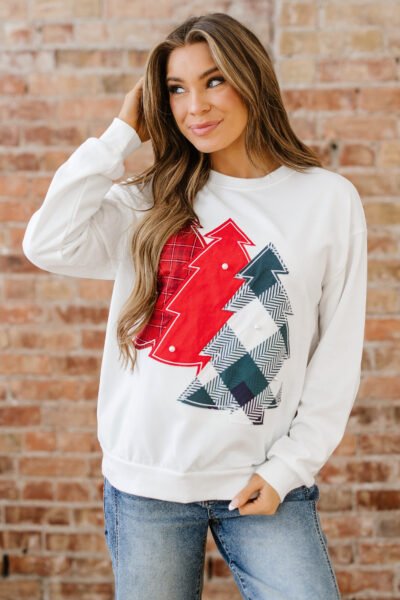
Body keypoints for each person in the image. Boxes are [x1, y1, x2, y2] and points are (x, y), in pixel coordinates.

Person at [22, 12, 367, 600]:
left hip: (263, 478)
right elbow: (46, 242)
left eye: (214, 80)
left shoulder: (326, 200)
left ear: (251, 79)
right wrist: (120, 135)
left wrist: (289, 468)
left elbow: (335, 357)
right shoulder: (149, 198)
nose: (195, 106)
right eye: (176, 89)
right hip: (147, 485)